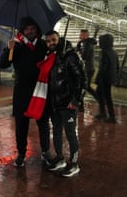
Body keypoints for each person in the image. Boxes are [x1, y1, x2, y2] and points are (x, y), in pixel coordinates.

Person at [0, 17, 52, 167]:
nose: (30, 31)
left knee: (43, 123)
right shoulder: (16, 46)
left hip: (40, 90)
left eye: (33, 29)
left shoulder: (43, 45)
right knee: (21, 125)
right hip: (22, 92)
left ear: (37, 31)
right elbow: (2, 64)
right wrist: (8, 49)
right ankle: (21, 153)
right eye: (27, 29)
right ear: (23, 31)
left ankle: (46, 151)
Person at [43, 30, 86, 177]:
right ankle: (60, 158)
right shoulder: (50, 56)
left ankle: (74, 163)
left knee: (70, 133)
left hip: (68, 104)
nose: (51, 43)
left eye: (53, 40)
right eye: (48, 41)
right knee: (56, 130)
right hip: (55, 104)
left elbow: (81, 79)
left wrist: (76, 100)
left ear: (59, 39)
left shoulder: (70, 55)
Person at [94, 33, 119, 123]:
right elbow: (117, 66)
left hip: (104, 78)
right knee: (102, 94)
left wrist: (97, 79)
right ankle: (104, 113)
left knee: (106, 96)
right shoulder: (113, 52)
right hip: (110, 77)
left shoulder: (104, 52)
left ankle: (110, 116)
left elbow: (102, 68)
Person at [76, 29, 97, 111]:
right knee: (86, 86)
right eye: (80, 34)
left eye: (81, 35)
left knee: (82, 86)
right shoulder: (86, 43)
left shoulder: (87, 43)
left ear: (86, 35)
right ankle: (100, 99)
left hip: (87, 69)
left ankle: (80, 106)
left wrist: (78, 48)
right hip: (89, 68)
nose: (80, 36)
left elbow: (83, 56)